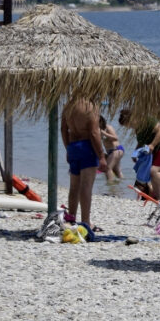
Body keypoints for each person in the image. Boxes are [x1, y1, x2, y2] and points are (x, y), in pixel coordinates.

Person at [61, 97, 106, 232]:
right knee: (86, 186)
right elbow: (93, 132)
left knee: (74, 187)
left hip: (73, 146)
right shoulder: (90, 106)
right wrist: (102, 156)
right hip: (87, 147)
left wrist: (68, 148)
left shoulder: (68, 105)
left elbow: (63, 129)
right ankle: (86, 222)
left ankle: (71, 219)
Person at [119, 108, 160, 201]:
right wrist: (135, 153)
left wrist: (152, 145)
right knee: (151, 173)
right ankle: (159, 197)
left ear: (133, 118)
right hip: (154, 151)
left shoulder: (148, 121)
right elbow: (141, 142)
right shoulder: (138, 129)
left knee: (154, 171)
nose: (130, 127)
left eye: (129, 125)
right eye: (127, 127)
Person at [99, 116, 124, 182]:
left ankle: (111, 187)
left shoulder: (108, 128)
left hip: (116, 150)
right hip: (110, 152)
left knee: (108, 169)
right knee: (117, 171)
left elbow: (115, 138)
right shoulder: (98, 130)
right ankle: (122, 187)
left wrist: (104, 133)